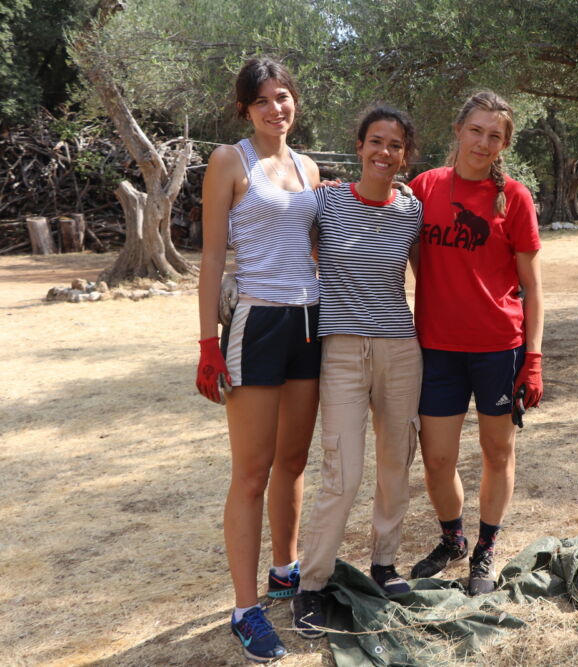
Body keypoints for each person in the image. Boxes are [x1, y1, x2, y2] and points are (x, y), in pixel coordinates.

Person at [196, 57, 321, 662]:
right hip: (257, 321)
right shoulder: (229, 161)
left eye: (284, 96)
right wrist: (207, 343)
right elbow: (212, 258)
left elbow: (319, 245)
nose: (277, 108)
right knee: (252, 472)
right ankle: (245, 610)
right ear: (245, 109)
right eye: (264, 100)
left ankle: (285, 574)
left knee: (293, 462)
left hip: (309, 323)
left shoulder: (308, 167)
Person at [290, 105, 424, 637]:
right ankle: (312, 584)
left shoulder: (411, 211)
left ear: (404, 156)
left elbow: (431, 276)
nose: (383, 152)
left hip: (400, 349)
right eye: (375, 141)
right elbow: (284, 240)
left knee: (396, 463)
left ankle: (385, 563)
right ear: (359, 146)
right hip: (342, 351)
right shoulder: (326, 201)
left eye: (395, 145)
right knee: (341, 473)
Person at [408, 91, 544, 595]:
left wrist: (533, 359)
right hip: (437, 348)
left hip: (498, 348)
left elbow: (533, 287)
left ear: (504, 143)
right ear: (458, 131)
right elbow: (401, 242)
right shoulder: (425, 187)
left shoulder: (516, 198)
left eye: (494, 135)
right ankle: (453, 539)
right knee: (437, 458)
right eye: (476, 131)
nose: (483, 143)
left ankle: (485, 548)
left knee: (497, 452)